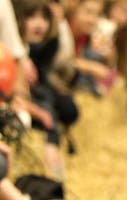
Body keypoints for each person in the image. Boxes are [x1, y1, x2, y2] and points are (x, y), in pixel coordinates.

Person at [13, 0, 80, 180]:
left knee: (65, 106)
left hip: (38, 90)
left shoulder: (46, 43)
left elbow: (45, 73)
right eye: (31, 17)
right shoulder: (12, 50)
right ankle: (51, 158)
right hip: (21, 97)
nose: (39, 23)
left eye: (44, 18)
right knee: (47, 108)